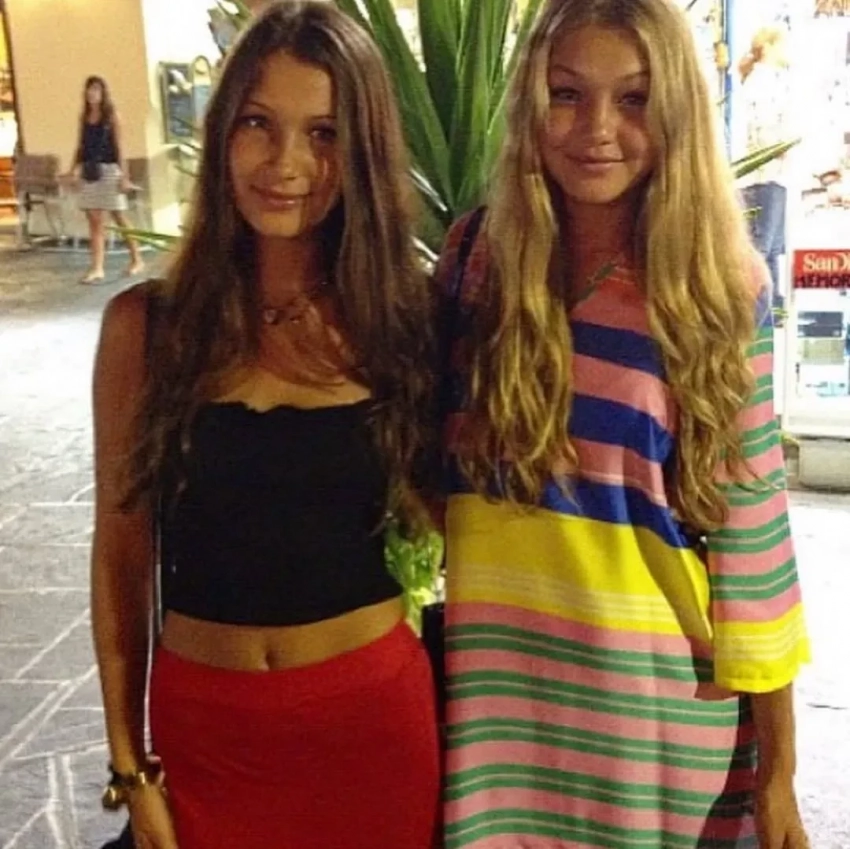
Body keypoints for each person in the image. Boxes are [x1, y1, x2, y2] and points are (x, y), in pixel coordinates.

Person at [434, 1, 811, 847]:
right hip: (497, 721)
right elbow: (430, 467)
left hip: (653, 732)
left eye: (633, 99)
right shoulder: (474, 260)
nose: (596, 129)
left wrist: (780, 775)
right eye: (566, 93)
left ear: (675, 108)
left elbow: (752, 536)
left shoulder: (716, 285)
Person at [89, 3, 440, 848]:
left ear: (361, 153)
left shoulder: (407, 321)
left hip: (370, 731)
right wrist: (131, 766)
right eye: (258, 123)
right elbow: (122, 554)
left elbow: (469, 516)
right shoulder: (148, 327)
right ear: (221, 136)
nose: (286, 164)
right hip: (205, 736)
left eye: (324, 134)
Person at [64, 75, 144, 284]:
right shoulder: (84, 117)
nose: (92, 93)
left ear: (103, 93)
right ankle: (97, 267)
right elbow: (80, 146)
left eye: (96, 89)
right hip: (90, 171)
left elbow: (120, 147)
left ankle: (137, 258)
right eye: (89, 89)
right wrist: (73, 170)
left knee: (119, 217)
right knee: (95, 220)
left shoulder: (112, 116)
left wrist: (125, 177)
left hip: (109, 170)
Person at [738, 26, 793, 313]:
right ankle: (757, 316)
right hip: (763, 176)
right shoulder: (761, 82)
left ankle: (770, 315)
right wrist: (781, 145)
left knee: (771, 250)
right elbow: (762, 126)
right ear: (769, 47)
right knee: (762, 248)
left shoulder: (768, 80)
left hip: (772, 175)